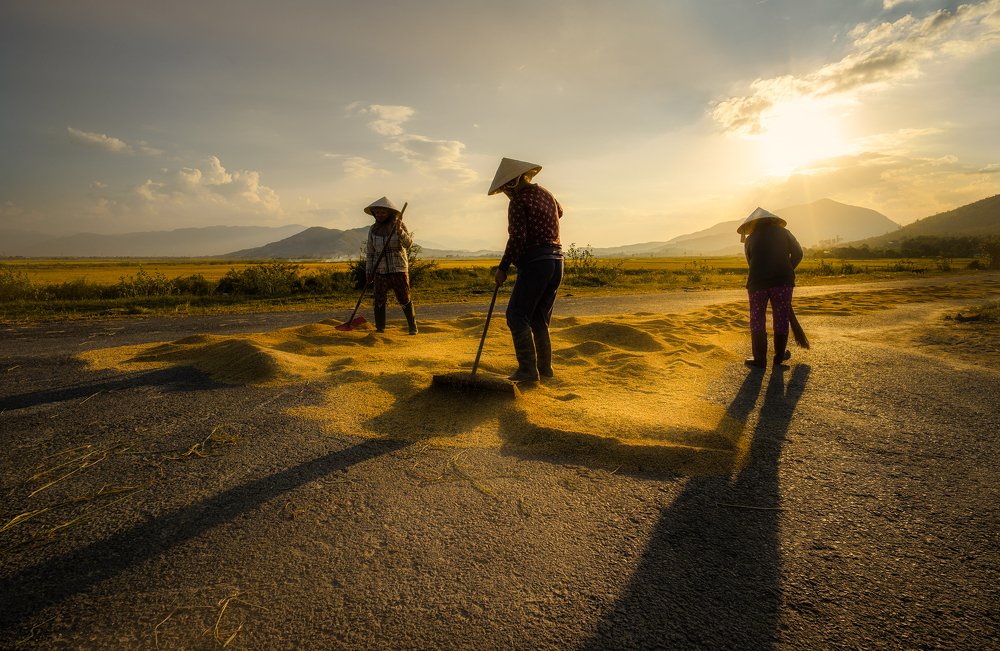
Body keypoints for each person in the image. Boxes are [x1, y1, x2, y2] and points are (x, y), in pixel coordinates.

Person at [488, 157, 564, 382]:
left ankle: (527, 371)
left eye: (505, 187)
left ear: (514, 182)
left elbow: (517, 238)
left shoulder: (519, 201)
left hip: (535, 263)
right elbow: (559, 212)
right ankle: (545, 369)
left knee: (517, 315)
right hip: (556, 260)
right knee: (539, 318)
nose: (505, 193)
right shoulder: (546, 194)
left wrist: (503, 267)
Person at [737, 206, 803, 369]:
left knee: (757, 318)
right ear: (772, 220)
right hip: (783, 282)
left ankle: (759, 358)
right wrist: (787, 269)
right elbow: (799, 253)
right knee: (781, 317)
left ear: (753, 224)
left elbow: (750, 262)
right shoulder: (784, 233)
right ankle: (779, 356)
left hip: (757, 284)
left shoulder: (750, 239)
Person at [364, 196, 417, 335]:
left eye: (383, 212)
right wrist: (369, 272)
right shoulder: (373, 229)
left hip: (398, 268)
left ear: (389, 212)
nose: (380, 215)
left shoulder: (398, 225)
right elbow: (370, 253)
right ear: (374, 214)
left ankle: (413, 327)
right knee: (379, 299)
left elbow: (408, 244)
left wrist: (400, 231)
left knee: (404, 298)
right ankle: (380, 328)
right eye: (378, 212)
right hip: (379, 270)